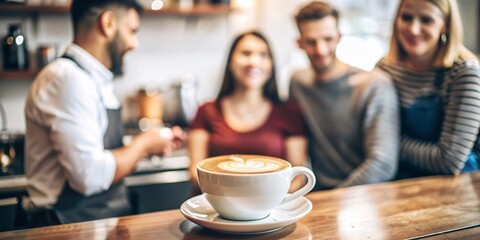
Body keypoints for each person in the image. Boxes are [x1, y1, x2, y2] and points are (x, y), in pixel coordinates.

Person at [23, 0, 184, 225]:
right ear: (107, 23)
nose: (134, 44)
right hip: (62, 228)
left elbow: (101, 149)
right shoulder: (67, 79)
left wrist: (152, 143)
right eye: (132, 31)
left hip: (97, 225)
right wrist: (143, 145)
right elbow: (89, 177)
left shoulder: (94, 79)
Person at [289, 2, 400, 190]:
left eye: (328, 39)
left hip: (367, 196)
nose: (321, 50)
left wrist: (336, 199)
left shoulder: (374, 86)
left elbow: (382, 164)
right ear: (299, 43)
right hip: (317, 195)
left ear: (339, 37)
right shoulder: (298, 83)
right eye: (311, 41)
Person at [188, 31, 308, 194]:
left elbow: (297, 176)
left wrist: (265, 204)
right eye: (246, 53)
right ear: (230, 61)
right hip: (214, 211)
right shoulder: (207, 111)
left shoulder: (288, 112)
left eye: (263, 55)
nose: (254, 62)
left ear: (271, 64)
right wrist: (234, 202)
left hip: (271, 212)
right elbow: (195, 173)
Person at [376, 0, 480, 177]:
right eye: (406, 17)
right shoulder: (385, 68)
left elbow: (449, 160)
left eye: (426, 20)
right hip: (399, 179)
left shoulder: (463, 73)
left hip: (455, 185)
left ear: (445, 26)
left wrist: (389, 144)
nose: (413, 29)